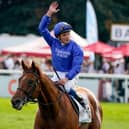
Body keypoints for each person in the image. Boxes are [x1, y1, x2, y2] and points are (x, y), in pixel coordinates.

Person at [38, 1, 85, 108]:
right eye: (64, 35)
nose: (67, 37)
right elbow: (42, 29)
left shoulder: (76, 48)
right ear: (58, 36)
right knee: (45, 90)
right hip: (57, 73)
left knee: (67, 89)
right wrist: (49, 13)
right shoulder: (53, 42)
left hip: (71, 75)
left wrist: (67, 78)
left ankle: (82, 105)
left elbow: (77, 67)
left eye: (68, 34)